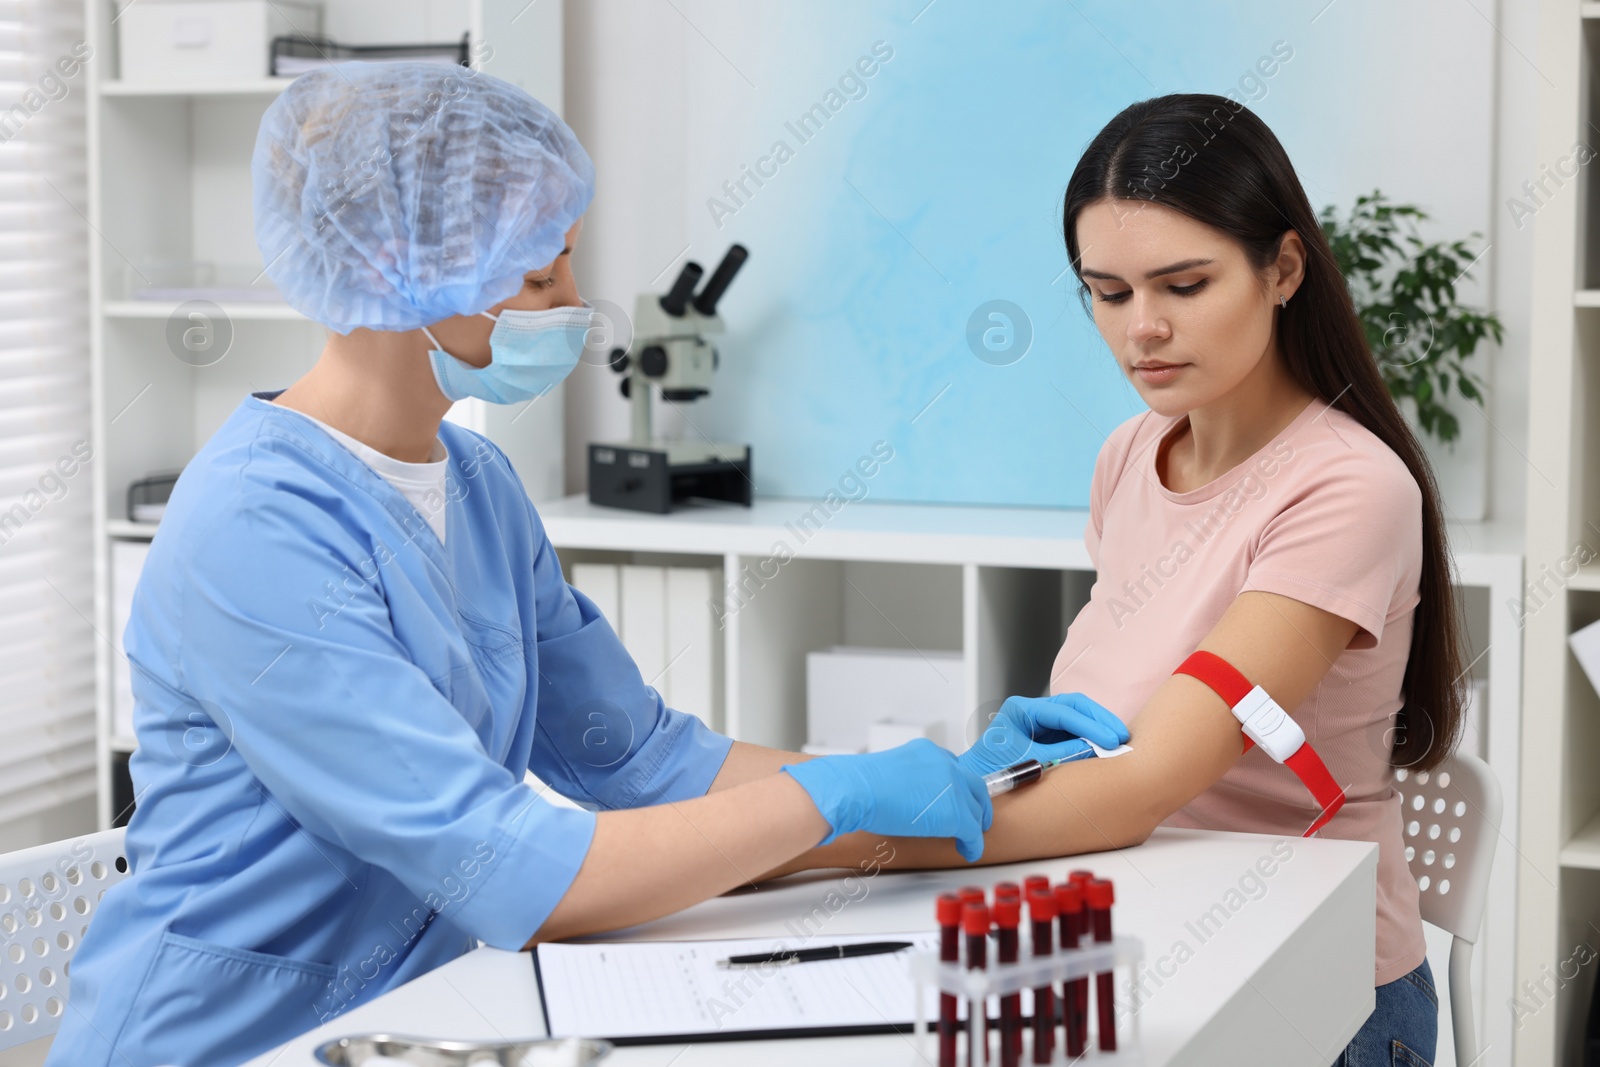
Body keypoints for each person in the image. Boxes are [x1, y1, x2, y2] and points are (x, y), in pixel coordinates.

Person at [45, 63, 1130, 1067]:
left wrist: (948, 773)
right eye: (535, 268)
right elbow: (506, 864)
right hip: (231, 1037)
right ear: (403, 278)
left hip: (410, 1017)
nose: (573, 295)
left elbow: (640, 759)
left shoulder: (473, 482)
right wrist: (836, 793)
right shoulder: (255, 527)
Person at [784, 94, 1462, 1066]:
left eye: (1183, 285)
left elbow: (1147, 780)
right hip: (1141, 920)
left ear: (1282, 268)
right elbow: (1110, 746)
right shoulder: (1128, 455)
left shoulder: (1346, 488)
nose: (1141, 328)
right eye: (1106, 291)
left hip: (1310, 978)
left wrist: (822, 835)